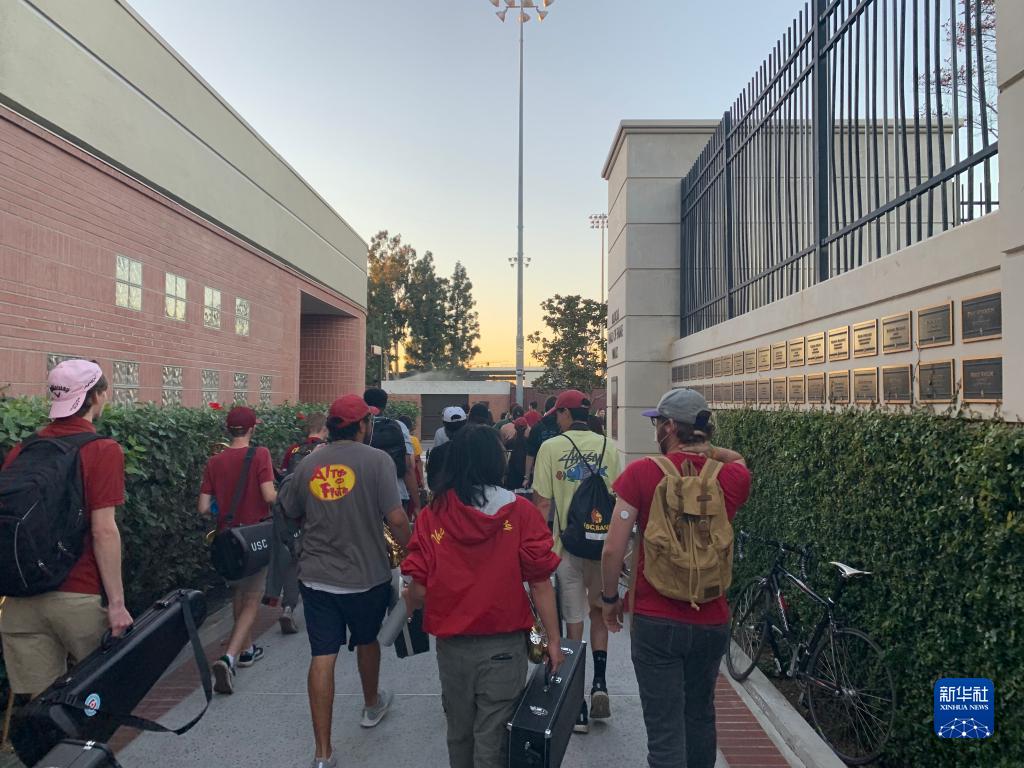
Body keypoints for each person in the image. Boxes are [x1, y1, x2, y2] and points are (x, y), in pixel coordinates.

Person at [601, 389, 750, 768]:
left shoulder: (642, 473)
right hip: (712, 618)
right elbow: (738, 458)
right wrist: (705, 447)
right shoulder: (731, 477)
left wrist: (609, 599)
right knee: (700, 717)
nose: (655, 429)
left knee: (665, 732)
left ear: (669, 427)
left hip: (656, 619)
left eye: (658, 423)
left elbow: (612, 549)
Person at [401, 425, 563, 768]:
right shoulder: (520, 512)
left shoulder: (433, 515)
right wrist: (552, 640)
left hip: (453, 647)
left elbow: (419, 588)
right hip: (505, 645)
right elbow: (540, 583)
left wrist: (412, 601)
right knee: (494, 735)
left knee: (459, 731)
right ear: (496, 461)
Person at [278, 395, 412, 768]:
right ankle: (371, 705)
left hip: (316, 577)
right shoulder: (378, 461)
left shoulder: (309, 463)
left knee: (322, 655)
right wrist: (414, 552)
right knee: (367, 640)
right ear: (362, 425)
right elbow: (397, 518)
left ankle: (322, 753)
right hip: (366, 575)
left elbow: (290, 508)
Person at [0, 360, 132, 697]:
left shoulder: (21, 450)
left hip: (20, 600)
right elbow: (103, 531)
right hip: (78, 597)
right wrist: (117, 604)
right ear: (97, 396)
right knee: (103, 700)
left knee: (42, 711)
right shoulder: (102, 450)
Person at [532, 389, 621, 733]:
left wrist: (538, 547)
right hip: (602, 548)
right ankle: (600, 683)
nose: (556, 419)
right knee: (599, 614)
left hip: (567, 548)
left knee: (573, 623)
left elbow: (542, 505)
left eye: (558, 413)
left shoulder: (551, 448)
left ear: (566, 414)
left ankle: (579, 705)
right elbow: (618, 499)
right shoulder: (609, 447)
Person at [200, 406, 277, 694]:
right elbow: (269, 495)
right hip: (253, 538)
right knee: (252, 599)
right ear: (251, 429)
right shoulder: (260, 454)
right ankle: (229, 658)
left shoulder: (214, 461)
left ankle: (246, 651)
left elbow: (203, 507)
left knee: (238, 594)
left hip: (226, 539)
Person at [274, 413, 328, 633]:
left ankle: (288, 607)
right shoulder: (325, 450)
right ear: (324, 429)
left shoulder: (293, 450)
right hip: (317, 510)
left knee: (293, 559)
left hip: (292, 510)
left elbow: (284, 477)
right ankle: (321, 606)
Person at [364, 388, 419, 521]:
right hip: (396, 495)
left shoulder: (359, 426)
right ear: (385, 405)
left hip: (365, 497)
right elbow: (408, 466)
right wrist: (417, 504)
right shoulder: (398, 426)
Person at [523, 396, 559, 485]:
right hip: (561, 472)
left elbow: (530, 454)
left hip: (541, 472)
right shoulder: (563, 427)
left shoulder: (537, 427)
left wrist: (527, 477)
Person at [398, 415, 425, 518]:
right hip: (412, 476)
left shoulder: (393, 439)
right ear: (409, 427)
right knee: (412, 503)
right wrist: (421, 479)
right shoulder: (413, 440)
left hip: (400, 477)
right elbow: (417, 461)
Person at [503, 416, 530, 491]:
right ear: (526, 428)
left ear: (515, 427)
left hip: (512, 478)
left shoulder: (509, 442)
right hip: (524, 478)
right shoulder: (529, 443)